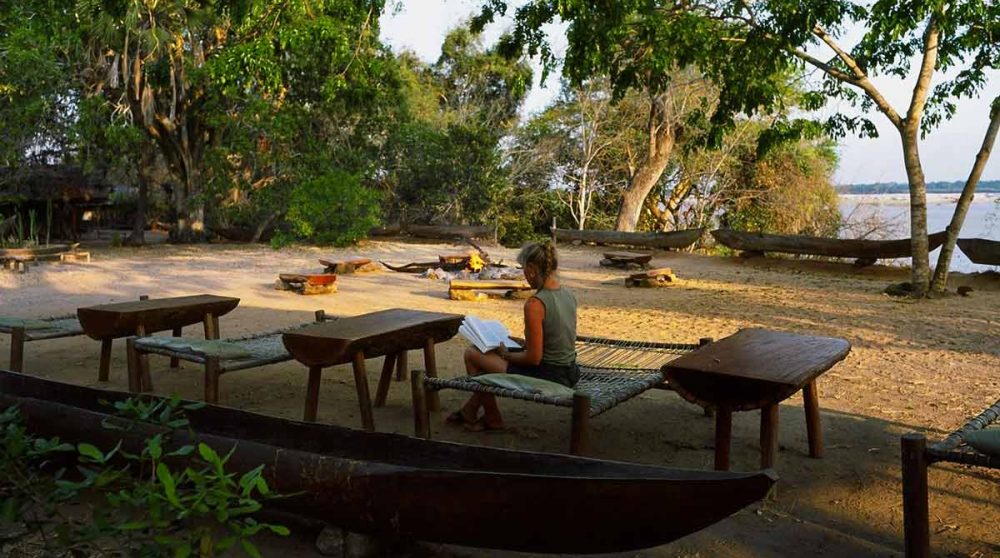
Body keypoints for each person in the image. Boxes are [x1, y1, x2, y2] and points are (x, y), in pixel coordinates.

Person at [449, 241, 579, 431]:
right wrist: (523, 344)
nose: (525, 276)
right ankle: (470, 410)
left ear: (532, 269)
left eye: (524, 270)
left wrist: (506, 354)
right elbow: (555, 337)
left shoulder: (535, 304)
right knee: (485, 356)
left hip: (549, 375)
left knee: (472, 354)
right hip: (569, 370)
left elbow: (534, 358)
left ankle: (493, 418)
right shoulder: (568, 294)